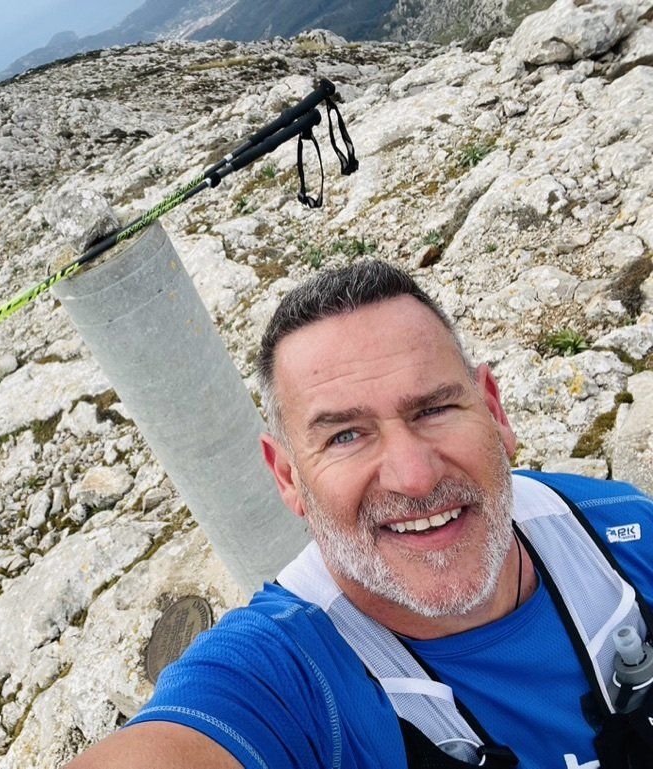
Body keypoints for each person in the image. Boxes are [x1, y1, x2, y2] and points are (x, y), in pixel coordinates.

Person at [66, 259, 653, 769]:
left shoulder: (624, 535)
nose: (415, 476)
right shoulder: (284, 671)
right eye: (346, 436)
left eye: (434, 409)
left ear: (494, 411)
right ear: (289, 477)